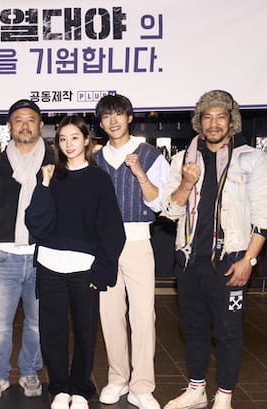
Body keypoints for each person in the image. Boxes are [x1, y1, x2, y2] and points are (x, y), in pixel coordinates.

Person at [160, 90, 267, 409]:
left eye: (220, 117)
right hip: (189, 259)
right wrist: (186, 183)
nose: (213, 124)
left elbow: (266, 215)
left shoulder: (251, 159)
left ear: (231, 121)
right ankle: (196, 390)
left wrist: (249, 260)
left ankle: (224, 395)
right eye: (207, 117)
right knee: (192, 328)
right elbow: (169, 211)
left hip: (231, 259)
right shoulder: (183, 160)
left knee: (228, 331)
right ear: (199, 122)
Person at [25, 115, 126, 409]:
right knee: (52, 332)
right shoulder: (50, 176)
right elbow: (36, 224)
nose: (68, 144)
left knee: (85, 331)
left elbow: (111, 230)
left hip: (85, 270)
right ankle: (59, 388)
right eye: (63, 139)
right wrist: (44, 185)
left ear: (86, 141)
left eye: (74, 138)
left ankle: (81, 389)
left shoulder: (98, 179)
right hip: (50, 267)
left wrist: (102, 272)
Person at [93, 94, 169, 409]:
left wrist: (139, 173)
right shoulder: (94, 158)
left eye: (118, 114)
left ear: (129, 118)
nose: (113, 121)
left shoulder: (150, 155)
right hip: (103, 246)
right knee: (110, 315)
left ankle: (142, 386)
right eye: (106, 116)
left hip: (137, 241)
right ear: (100, 123)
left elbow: (159, 203)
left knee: (142, 316)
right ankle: (117, 379)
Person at [0, 99, 53, 400]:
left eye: (31, 119)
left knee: (37, 323)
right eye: (19, 120)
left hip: (41, 253)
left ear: (40, 125)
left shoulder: (53, 157)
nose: (25, 125)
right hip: (4, 252)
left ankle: (29, 371)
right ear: (10, 126)